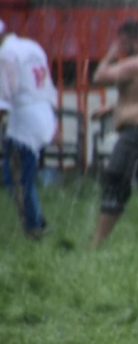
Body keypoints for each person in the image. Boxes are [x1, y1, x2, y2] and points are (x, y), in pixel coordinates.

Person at [89, 20, 138, 249]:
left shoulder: (136, 64)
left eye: (122, 42)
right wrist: (114, 109)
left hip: (135, 134)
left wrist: (110, 54)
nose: (120, 48)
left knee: (115, 184)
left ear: (136, 40)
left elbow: (99, 76)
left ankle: (97, 243)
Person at [0, 19, 58, 240]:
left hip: (24, 120)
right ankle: (35, 221)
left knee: (17, 178)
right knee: (25, 175)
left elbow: (6, 96)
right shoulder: (32, 46)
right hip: (44, 112)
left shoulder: (6, 55)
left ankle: (34, 226)